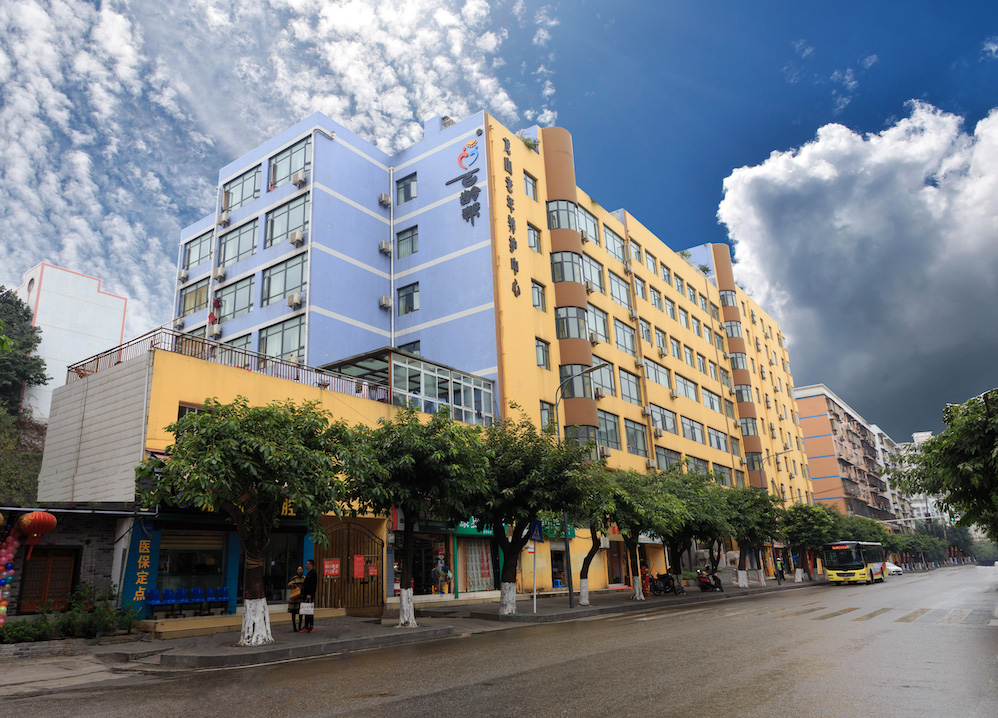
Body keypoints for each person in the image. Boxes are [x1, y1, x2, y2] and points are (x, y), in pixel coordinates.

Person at [287, 565, 305, 632]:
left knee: (301, 613)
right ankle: (294, 627)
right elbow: (289, 584)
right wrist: (291, 585)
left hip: (300, 598)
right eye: (298, 569)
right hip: (294, 598)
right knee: (293, 613)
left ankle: (300, 627)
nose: (300, 571)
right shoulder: (294, 578)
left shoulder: (304, 578)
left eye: (301, 569)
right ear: (297, 571)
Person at [302, 559, 317, 633]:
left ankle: (311, 626)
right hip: (306, 595)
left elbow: (313, 585)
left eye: (307, 564)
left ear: (311, 565)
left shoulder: (313, 573)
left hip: (309, 596)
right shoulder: (308, 573)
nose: (306, 565)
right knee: (306, 611)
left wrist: (310, 594)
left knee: (310, 611)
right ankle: (306, 626)